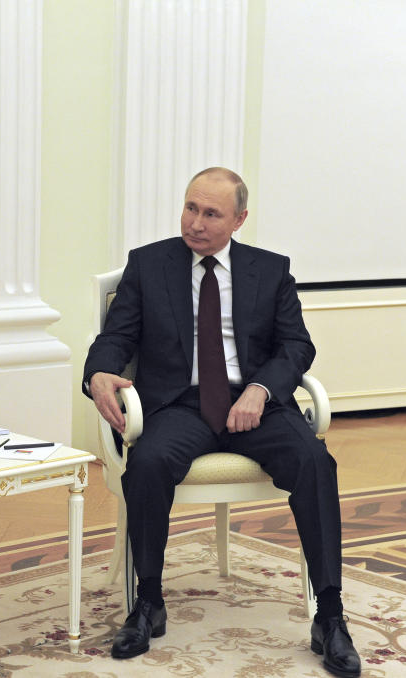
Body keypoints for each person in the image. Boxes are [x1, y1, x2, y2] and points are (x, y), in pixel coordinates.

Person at [84, 168, 360, 677]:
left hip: (255, 404)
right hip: (178, 405)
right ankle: (148, 602)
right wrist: (99, 371)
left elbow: (297, 345)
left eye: (211, 213)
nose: (196, 223)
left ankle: (330, 614)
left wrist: (260, 389)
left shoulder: (270, 270)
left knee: (315, 463)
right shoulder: (147, 266)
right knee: (145, 465)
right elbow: (117, 337)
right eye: (191, 208)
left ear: (239, 219)